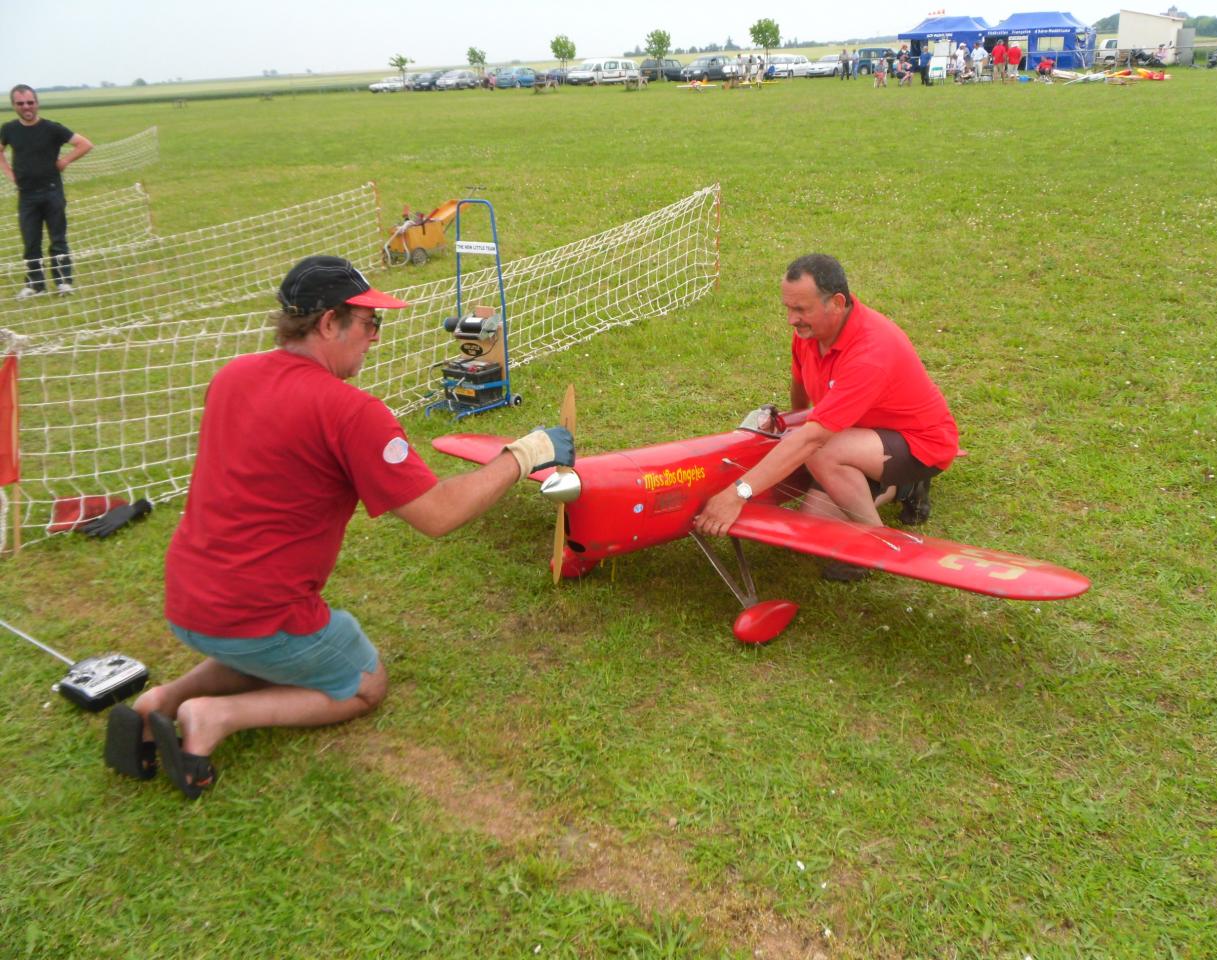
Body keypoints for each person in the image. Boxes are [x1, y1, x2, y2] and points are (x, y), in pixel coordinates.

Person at [102, 255, 575, 799]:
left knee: (269, 649)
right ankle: (215, 719)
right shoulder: (351, 412)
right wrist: (525, 454)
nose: (374, 338)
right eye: (369, 324)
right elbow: (437, 514)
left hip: (188, 601)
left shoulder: (231, 377)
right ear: (329, 323)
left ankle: (158, 701)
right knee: (364, 682)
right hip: (259, 613)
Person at [693, 254, 959, 580]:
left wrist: (738, 493)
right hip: (861, 435)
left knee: (821, 450)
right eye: (788, 308)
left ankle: (875, 545)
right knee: (814, 522)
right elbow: (800, 385)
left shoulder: (871, 351)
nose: (791, 319)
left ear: (836, 303)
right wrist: (793, 420)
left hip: (919, 442)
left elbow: (815, 438)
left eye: (801, 309)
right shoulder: (809, 334)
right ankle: (905, 488)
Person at [0, 85, 93, 299]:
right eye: (21, 103)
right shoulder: (9, 129)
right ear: (14, 105)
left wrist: (64, 161)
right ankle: (35, 285)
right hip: (26, 195)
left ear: (37, 103)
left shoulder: (52, 128)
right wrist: (9, 173)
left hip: (52, 192)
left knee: (58, 239)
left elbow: (85, 144)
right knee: (31, 241)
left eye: (30, 102)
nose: (26, 107)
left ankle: (63, 283)